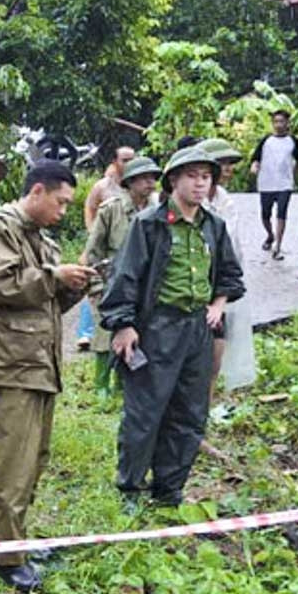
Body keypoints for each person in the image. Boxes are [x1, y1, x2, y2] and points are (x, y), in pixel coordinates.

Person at [0, 161, 96, 592]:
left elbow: (47, 306)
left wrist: (74, 287)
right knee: (11, 464)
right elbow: (3, 286)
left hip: (39, 365)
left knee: (33, 461)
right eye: (60, 202)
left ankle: (14, 542)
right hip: (8, 363)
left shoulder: (44, 241)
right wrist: (56, 276)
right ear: (37, 191)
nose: (63, 212)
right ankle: (5, 556)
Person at [100, 144, 245, 509]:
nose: (200, 184)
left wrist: (218, 303)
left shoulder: (214, 226)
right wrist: (123, 326)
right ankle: (130, 488)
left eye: (206, 177)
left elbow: (230, 273)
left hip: (198, 328)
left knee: (190, 412)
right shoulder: (148, 225)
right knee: (145, 412)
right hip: (158, 326)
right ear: (174, 181)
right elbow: (125, 277)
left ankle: (169, 488)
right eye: (193, 176)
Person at [82, 155, 160, 397]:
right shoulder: (111, 209)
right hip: (111, 280)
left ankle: (122, 385)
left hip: (143, 284)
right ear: (130, 182)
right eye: (144, 179)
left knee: (137, 334)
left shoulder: (157, 211)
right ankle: (101, 385)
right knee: (105, 337)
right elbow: (94, 250)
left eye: (153, 178)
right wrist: (96, 287)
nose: (150, 183)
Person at [198, 137, 258, 397]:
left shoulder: (224, 200)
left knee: (215, 359)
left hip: (219, 288)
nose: (229, 169)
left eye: (231, 164)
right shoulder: (189, 203)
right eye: (224, 164)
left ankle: (202, 422)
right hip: (193, 288)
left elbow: (231, 247)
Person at [76, 146, 137, 351]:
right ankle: (85, 334)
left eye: (132, 159)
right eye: (125, 160)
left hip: (128, 253)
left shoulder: (137, 187)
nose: (128, 164)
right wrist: (92, 230)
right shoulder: (103, 186)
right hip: (105, 246)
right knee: (95, 287)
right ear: (114, 161)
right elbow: (90, 207)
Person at [248, 109, 298, 260]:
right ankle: (270, 235)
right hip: (266, 183)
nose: (279, 125)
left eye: (281, 121)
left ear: (287, 123)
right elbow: (255, 158)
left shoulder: (293, 141)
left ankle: (278, 246)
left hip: (285, 184)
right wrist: (254, 166)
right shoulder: (266, 140)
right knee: (265, 215)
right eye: (276, 122)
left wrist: (294, 174)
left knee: (282, 214)